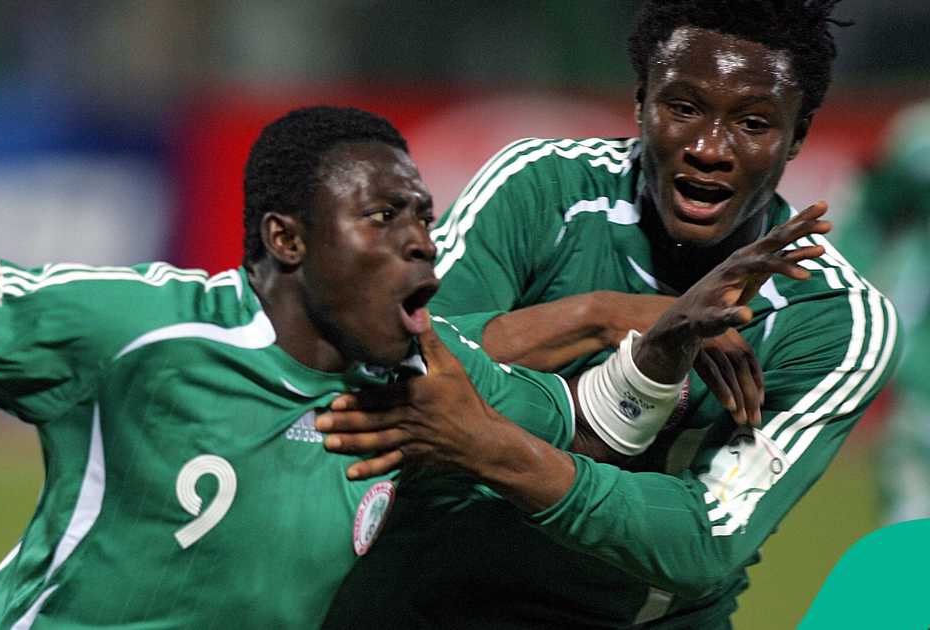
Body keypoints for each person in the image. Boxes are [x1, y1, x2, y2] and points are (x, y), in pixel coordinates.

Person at [0, 105, 813, 627]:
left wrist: (651, 344)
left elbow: (583, 427)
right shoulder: (144, 333)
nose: (424, 242)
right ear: (287, 239)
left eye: (423, 214)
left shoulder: (422, 390)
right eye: (385, 217)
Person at [320, 1, 900, 628]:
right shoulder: (542, 188)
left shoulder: (834, 319)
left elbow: (709, 539)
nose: (709, 148)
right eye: (682, 108)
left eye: (753, 123)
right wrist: (604, 316)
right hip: (421, 604)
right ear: (640, 103)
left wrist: (487, 447)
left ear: (799, 135)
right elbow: (394, 356)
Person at [839, 101, 930, 524]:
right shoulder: (919, 141)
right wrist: (840, 299)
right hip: (925, 381)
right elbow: (865, 219)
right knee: (912, 527)